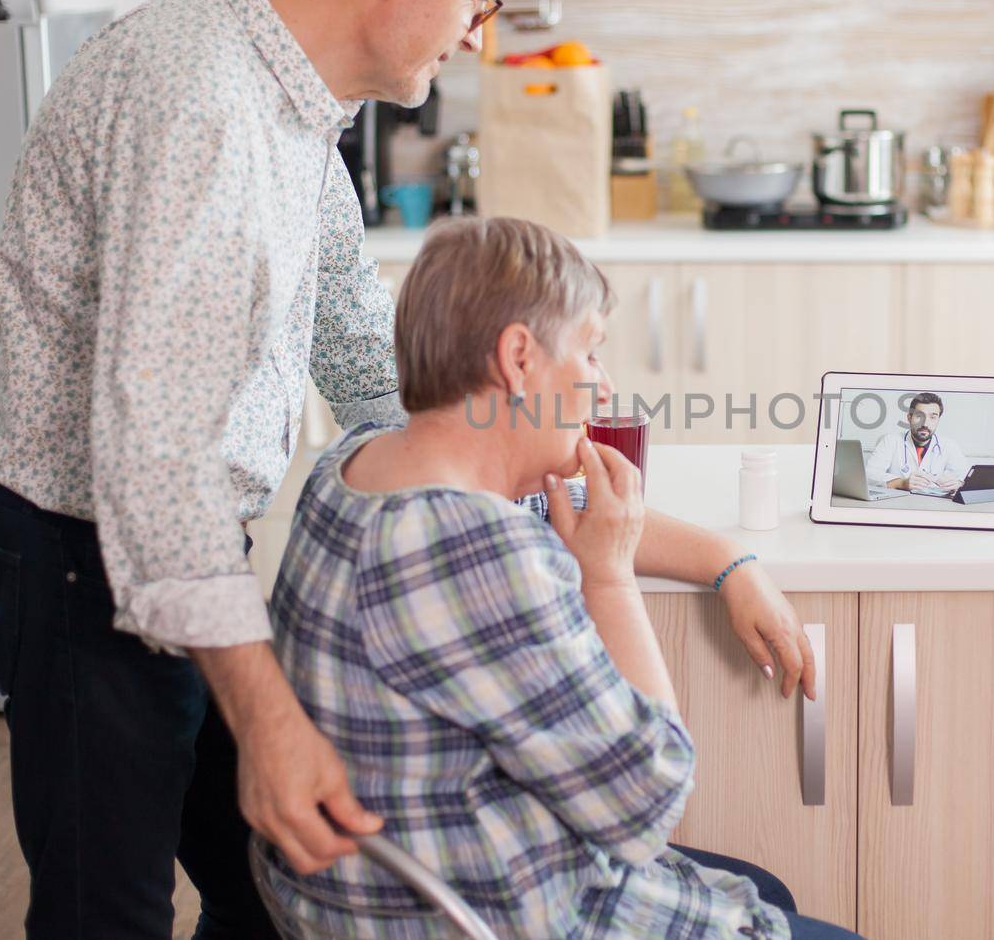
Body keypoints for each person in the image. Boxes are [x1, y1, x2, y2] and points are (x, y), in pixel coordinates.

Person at [0, 0, 813, 935]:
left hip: (181, 554)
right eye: (479, 0)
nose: (478, 37)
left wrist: (702, 549)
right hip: (77, 550)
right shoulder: (206, 104)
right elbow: (158, 459)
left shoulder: (300, 107)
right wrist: (269, 722)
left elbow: (382, 379)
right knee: (109, 909)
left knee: (259, 885)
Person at [262, 216, 862, 939]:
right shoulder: (484, 555)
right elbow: (646, 803)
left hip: (361, 897)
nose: (602, 384)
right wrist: (607, 579)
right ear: (519, 358)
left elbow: (564, 505)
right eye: (589, 352)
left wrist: (726, 559)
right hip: (503, 909)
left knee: (766, 888)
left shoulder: (350, 469)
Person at [864, 392, 972, 495]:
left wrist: (959, 483)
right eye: (919, 416)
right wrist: (902, 483)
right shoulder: (890, 441)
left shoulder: (949, 445)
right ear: (909, 418)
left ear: (938, 419)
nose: (925, 423)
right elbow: (869, 475)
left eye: (933, 417)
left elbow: (966, 476)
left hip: (934, 507)